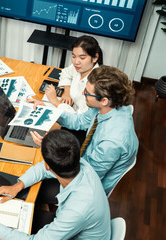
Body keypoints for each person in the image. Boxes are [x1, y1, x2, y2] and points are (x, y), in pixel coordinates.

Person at [0, 130, 111, 239]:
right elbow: (43, 168)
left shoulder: (77, 209)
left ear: (48, 165)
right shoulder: (79, 163)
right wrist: (17, 186)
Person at [31, 65, 139, 195]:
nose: (83, 94)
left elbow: (86, 175)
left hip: (86, 185)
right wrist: (49, 112)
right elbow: (79, 121)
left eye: (87, 93)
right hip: (84, 160)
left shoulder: (113, 141)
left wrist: (53, 150)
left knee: (35, 187)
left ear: (104, 100)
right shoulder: (106, 107)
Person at [45, 35, 103, 114]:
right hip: (68, 107)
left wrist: (54, 101)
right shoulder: (80, 67)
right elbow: (65, 73)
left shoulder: (95, 84)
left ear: (95, 57)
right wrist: (67, 92)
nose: (76, 62)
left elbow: (78, 119)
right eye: (73, 56)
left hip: (73, 120)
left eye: (82, 58)